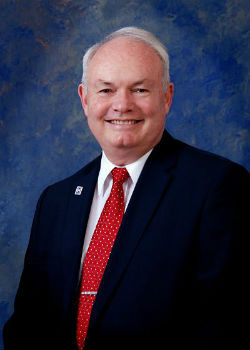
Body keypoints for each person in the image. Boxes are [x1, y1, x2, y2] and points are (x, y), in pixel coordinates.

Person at [3, 27, 249, 350]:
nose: (122, 105)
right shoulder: (56, 201)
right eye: (106, 90)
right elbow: (26, 326)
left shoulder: (218, 187)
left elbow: (227, 330)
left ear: (167, 97)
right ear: (85, 99)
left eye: (140, 89)